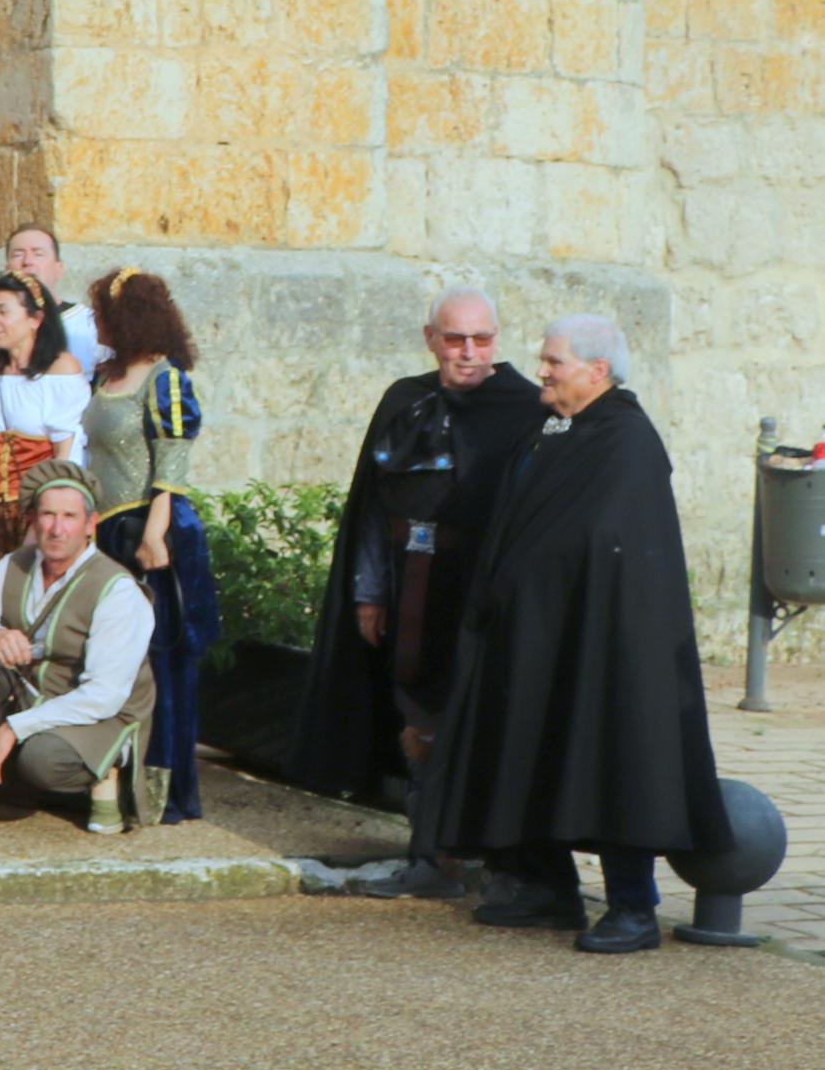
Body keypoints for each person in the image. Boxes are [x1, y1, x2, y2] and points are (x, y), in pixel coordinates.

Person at [429, 315, 731, 953]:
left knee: (614, 751)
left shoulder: (625, 439)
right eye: (544, 359)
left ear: (597, 372)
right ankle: (548, 890)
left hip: (608, 637)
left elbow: (597, 536)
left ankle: (633, 908)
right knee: (535, 746)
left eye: (555, 362)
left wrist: (525, 578)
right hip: (542, 627)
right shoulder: (558, 426)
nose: (541, 370)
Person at [295, 288, 543, 900]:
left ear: (498, 339)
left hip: (481, 588)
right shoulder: (405, 401)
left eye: (481, 339)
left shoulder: (523, 408)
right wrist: (368, 593)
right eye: (454, 338)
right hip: (413, 587)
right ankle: (429, 852)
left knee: (484, 715)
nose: (468, 352)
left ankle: (492, 856)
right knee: (418, 714)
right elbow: (376, 510)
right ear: (430, 338)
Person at [0, 467, 156, 834]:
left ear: (91, 524)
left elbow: (104, 696)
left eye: (69, 517)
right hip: (31, 698)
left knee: (41, 761)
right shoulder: (17, 564)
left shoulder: (117, 591)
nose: (56, 528)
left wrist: (12, 729)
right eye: (47, 514)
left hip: (96, 716)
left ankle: (105, 774)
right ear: (33, 519)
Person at [83, 268, 220, 825]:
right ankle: (112, 777)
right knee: (116, 658)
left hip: (153, 530)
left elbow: (172, 459)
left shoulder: (164, 378)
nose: (96, 322)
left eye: (102, 313)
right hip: (112, 528)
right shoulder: (107, 375)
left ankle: (165, 790)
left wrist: (155, 533)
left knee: (162, 662)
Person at [0, 272, 88, 568]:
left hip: (34, 512)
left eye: (3, 311)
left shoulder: (60, 369)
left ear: (35, 319)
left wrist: (49, 519)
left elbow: (65, 454)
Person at [0, 225, 106, 365]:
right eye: (18, 255)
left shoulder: (88, 324)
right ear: (7, 269)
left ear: (58, 269)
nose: (27, 262)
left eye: (38, 254)